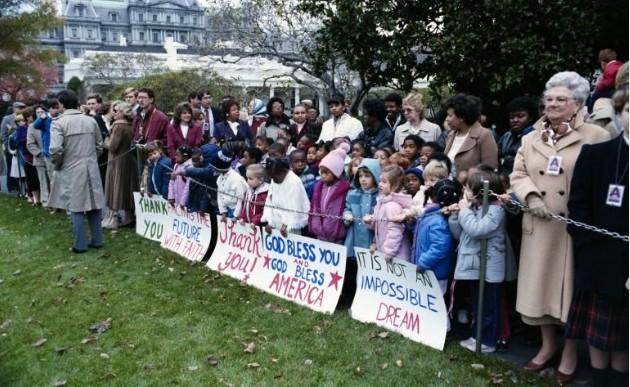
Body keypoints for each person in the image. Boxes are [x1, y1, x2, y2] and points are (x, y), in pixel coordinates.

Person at [510, 71, 610, 383]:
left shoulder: (596, 136)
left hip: (574, 230)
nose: (552, 104)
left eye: (561, 99)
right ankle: (547, 346)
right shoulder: (530, 137)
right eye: (549, 98)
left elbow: (604, 181)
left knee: (570, 296)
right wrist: (530, 196)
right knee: (539, 291)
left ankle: (569, 352)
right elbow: (518, 172)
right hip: (539, 226)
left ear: (577, 103)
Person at [565, 100, 628, 386]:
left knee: (623, 339)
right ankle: (598, 379)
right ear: (619, 113)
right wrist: (590, 246)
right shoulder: (596, 154)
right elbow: (577, 206)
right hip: (598, 258)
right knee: (599, 334)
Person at [449, 169, 508, 353]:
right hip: (476, 265)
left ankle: (487, 341)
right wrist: (455, 215)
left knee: (488, 308)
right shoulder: (474, 208)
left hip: (489, 269)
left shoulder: (496, 211)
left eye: (467, 188)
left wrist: (464, 211)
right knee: (477, 304)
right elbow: (462, 235)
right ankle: (476, 336)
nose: (464, 191)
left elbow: (477, 229)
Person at [48, 90, 105, 253]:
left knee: (76, 206)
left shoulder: (58, 123)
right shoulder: (90, 121)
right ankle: (97, 239)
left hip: (71, 168)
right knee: (94, 204)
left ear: (62, 104)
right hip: (90, 166)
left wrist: (59, 164)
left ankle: (80, 244)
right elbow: (99, 145)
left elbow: (55, 150)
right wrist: (91, 159)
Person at [411, 178, 459, 307]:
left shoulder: (438, 221)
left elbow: (440, 247)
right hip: (428, 270)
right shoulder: (430, 216)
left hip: (435, 271)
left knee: (436, 303)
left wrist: (423, 262)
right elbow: (420, 233)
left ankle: (443, 326)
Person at [341, 157, 380, 306]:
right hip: (354, 237)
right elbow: (347, 209)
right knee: (352, 268)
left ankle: (366, 300)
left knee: (368, 270)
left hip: (370, 239)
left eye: (367, 176)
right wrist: (347, 216)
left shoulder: (379, 197)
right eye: (361, 176)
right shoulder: (353, 193)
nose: (363, 179)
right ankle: (350, 298)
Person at [102, 101, 139, 229]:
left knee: (116, 187)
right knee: (127, 188)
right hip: (128, 159)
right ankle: (129, 217)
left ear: (123, 113)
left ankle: (113, 219)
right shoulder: (130, 124)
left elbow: (112, 146)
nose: (114, 113)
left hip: (117, 160)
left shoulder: (118, 126)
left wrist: (104, 141)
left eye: (117, 110)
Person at [364, 165, 412, 261]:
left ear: (395, 186)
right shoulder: (382, 202)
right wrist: (370, 221)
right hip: (387, 254)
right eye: (380, 181)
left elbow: (395, 232)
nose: (380, 184)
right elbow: (380, 227)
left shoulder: (392, 206)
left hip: (397, 257)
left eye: (384, 182)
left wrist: (388, 252)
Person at [261, 143, 310, 236]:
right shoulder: (274, 177)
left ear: (281, 171)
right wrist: (270, 222)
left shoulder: (294, 182)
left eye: (275, 176)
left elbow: (296, 207)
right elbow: (270, 202)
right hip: (275, 225)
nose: (274, 179)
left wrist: (287, 224)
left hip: (290, 229)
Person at [444, 93, 498, 174]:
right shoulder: (451, 135)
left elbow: (489, 168)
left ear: (461, 117)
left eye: (450, 115)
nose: (447, 119)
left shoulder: (484, 135)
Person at [308, 142, 351, 242]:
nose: (322, 176)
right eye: (321, 172)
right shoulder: (318, 187)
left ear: (336, 173)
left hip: (336, 233)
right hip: (319, 231)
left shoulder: (343, 189)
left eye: (326, 173)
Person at [28, 102, 58, 208]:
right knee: (43, 181)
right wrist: (39, 153)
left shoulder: (49, 122)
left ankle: (55, 202)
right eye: (38, 112)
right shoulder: (32, 127)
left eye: (42, 111)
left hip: (50, 155)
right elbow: (30, 143)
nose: (40, 113)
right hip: (39, 157)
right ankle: (45, 201)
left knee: (52, 179)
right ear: (34, 114)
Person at [498, 96, 538, 173]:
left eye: (520, 116)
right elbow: (496, 156)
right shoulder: (507, 136)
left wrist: (504, 160)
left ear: (530, 118)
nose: (515, 120)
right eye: (512, 117)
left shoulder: (536, 136)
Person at [211, 148, 247, 221]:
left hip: (237, 212)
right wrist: (223, 212)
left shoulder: (237, 179)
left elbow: (241, 199)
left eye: (214, 167)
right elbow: (220, 196)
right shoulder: (219, 179)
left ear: (220, 167)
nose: (212, 169)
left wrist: (236, 215)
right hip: (227, 211)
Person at [1, 101, 26, 193]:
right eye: (20, 108)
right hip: (11, 147)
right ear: (14, 108)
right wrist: (8, 145)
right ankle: (11, 186)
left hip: (22, 147)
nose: (22, 109)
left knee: (21, 167)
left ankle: (22, 186)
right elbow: (3, 134)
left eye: (23, 107)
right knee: (11, 166)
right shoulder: (7, 119)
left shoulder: (25, 117)